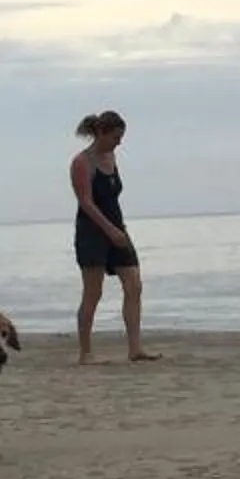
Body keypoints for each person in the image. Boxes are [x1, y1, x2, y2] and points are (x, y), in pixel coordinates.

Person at [70, 110, 159, 363]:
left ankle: (135, 348)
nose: (119, 142)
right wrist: (109, 230)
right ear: (101, 133)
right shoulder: (82, 162)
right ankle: (85, 352)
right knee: (93, 292)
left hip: (117, 227)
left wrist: (117, 229)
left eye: (121, 137)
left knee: (134, 284)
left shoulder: (112, 156)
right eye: (116, 137)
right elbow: (86, 202)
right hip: (92, 232)